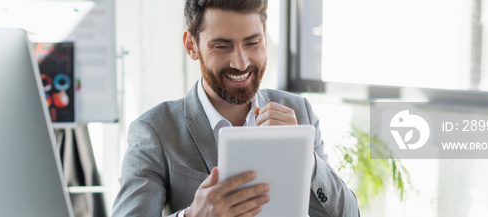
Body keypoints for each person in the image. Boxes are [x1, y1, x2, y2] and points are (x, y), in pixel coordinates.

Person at [112, 0, 360, 216]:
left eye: (252, 42)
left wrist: (305, 157)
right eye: (222, 46)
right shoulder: (155, 131)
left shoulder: (298, 111)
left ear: (264, 35)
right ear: (191, 46)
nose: (241, 63)